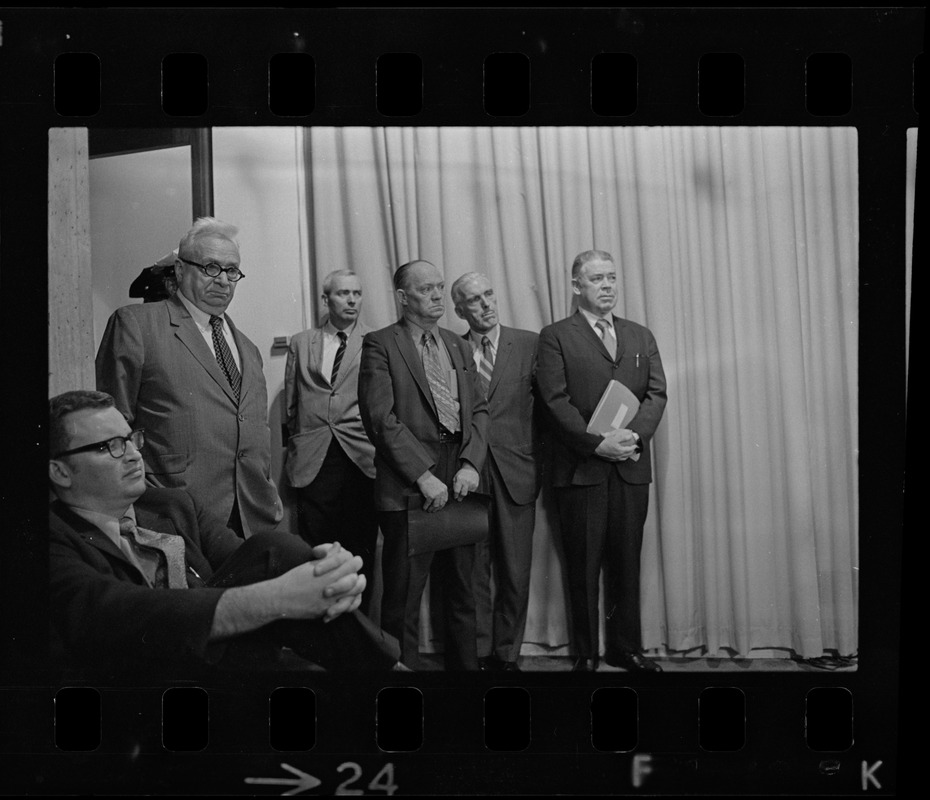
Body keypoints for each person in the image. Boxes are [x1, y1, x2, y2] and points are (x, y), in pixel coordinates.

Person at [48, 390, 401, 673]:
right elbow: (115, 615)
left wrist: (327, 575)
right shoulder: (49, 537)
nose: (132, 455)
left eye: (130, 439)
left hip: (219, 657)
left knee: (276, 548)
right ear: (60, 472)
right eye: (108, 446)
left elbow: (260, 560)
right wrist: (280, 597)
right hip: (139, 680)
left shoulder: (172, 505)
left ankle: (390, 675)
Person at [95, 217, 282, 539]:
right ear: (180, 271)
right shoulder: (137, 325)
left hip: (251, 517)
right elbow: (112, 428)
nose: (223, 280)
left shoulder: (248, 350)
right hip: (172, 516)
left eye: (232, 271)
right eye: (210, 267)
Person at [536, 250, 667, 672]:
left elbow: (656, 394)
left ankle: (625, 649)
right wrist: (596, 444)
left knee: (627, 562)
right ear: (577, 286)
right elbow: (554, 401)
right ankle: (586, 654)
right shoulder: (555, 336)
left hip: (629, 467)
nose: (608, 285)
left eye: (612, 277)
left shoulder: (640, 334)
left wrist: (632, 438)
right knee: (583, 565)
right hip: (582, 470)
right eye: (597, 279)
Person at [359, 260, 489, 671]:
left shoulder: (457, 343)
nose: (437, 296)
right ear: (402, 297)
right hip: (409, 483)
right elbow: (380, 418)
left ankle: (467, 693)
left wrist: (471, 463)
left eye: (440, 287)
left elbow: (480, 410)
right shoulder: (381, 344)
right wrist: (423, 475)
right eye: (426, 289)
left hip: (461, 479)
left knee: (465, 595)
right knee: (403, 600)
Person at [451, 272, 540, 673]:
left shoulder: (530, 344)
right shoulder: (450, 349)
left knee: (516, 570)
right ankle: (480, 654)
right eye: (474, 299)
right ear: (459, 310)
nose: (485, 304)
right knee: (472, 569)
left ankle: (507, 655)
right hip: (468, 472)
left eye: (489, 294)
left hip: (516, 471)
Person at [283, 270, 377, 612]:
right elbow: (291, 406)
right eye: (343, 294)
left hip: (360, 458)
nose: (352, 300)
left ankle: (361, 637)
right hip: (313, 458)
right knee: (316, 550)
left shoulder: (376, 341)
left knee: (360, 550)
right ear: (326, 299)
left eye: (357, 293)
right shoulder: (301, 341)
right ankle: (321, 637)